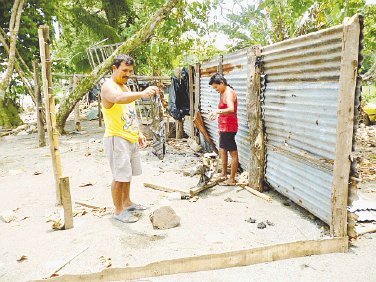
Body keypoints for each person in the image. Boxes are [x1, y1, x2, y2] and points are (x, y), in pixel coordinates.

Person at [100, 54, 159, 223]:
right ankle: (118, 211)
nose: (127, 74)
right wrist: (142, 93)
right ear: (114, 68)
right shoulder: (108, 86)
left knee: (127, 174)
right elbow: (117, 99)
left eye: (130, 71)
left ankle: (127, 202)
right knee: (120, 176)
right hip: (116, 138)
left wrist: (138, 132)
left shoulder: (125, 87)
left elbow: (130, 113)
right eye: (124, 70)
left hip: (129, 137)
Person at [209, 73, 239, 186]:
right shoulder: (223, 92)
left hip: (229, 127)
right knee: (222, 149)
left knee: (233, 153)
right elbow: (224, 110)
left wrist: (217, 111)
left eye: (216, 87)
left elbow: (231, 109)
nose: (216, 90)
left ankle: (232, 179)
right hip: (224, 126)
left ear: (222, 83)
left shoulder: (229, 93)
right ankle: (223, 174)